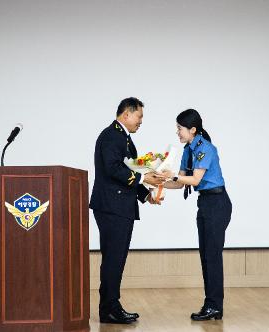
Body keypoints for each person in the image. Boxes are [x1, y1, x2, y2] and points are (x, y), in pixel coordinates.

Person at [89, 97, 165, 324]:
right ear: (126, 115)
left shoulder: (123, 137)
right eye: (139, 116)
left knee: (116, 258)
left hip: (119, 205)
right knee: (114, 258)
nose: (141, 121)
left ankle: (110, 307)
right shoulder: (112, 136)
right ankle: (110, 309)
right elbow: (113, 169)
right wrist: (144, 177)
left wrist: (146, 195)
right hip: (112, 206)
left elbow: (128, 172)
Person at [163, 108, 232, 321]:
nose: (178, 132)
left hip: (217, 203)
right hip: (205, 203)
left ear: (193, 129)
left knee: (212, 256)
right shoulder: (188, 151)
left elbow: (194, 181)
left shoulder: (205, 148)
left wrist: (172, 175)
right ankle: (211, 305)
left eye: (180, 128)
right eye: (177, 128)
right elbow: (179, 182)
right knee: (206, 256)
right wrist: (157, 183)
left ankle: (214, 306)